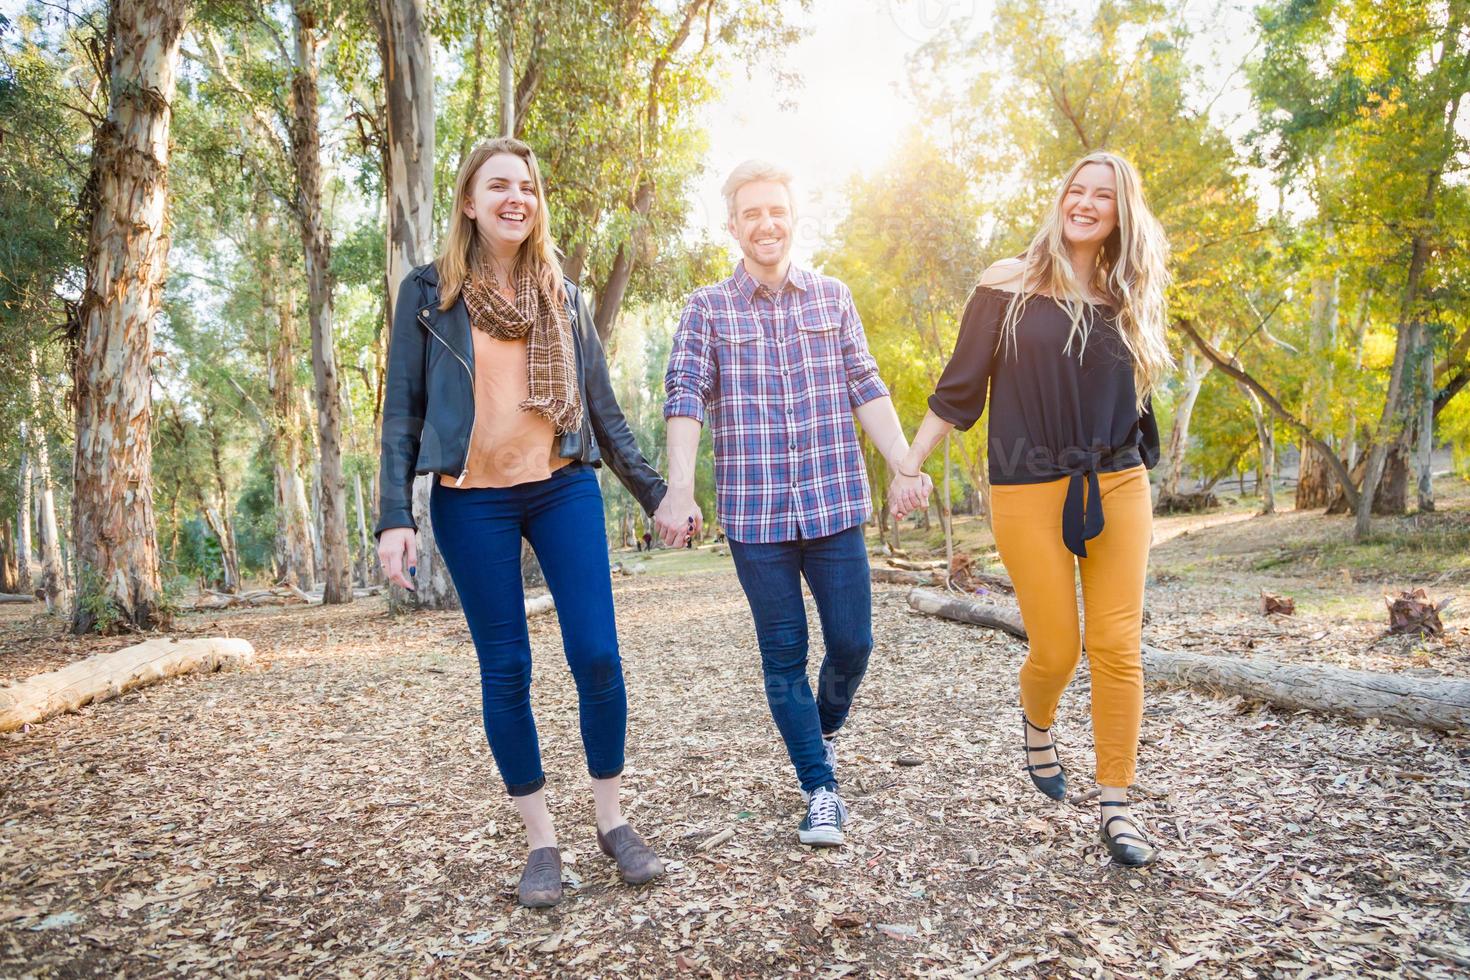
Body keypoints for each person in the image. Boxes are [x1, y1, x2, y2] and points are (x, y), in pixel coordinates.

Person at [376, 138, 667, 907]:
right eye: (498, 185)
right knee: (507, 669)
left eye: (527, 187)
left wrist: (656, 492)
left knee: (598, 656)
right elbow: (401, 410)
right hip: (471, 499)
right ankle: (542, 840)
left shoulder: (561, 295)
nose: (517, 198)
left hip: (561, 486)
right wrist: (391, 517)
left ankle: (611, 821)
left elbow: (603, 412)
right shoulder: (428, 292)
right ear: (469, 203)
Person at [896, 151, 1172, 867]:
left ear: (1121, 212)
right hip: (1025, 487)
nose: (1084, 202)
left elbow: (1136, 400)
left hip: (1116, 482)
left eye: (1102, 195)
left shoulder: (1128, 291)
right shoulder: (1006, 282)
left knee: (1117, 645)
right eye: (1075, 190)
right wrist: (909, 464)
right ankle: (1037, 721)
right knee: (1058, 648)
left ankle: (1116, 805)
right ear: (1060, 198)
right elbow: (959, 390)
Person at [655, 160, 930, 847]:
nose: (765, 223)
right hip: (757, 518)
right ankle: (820, 788)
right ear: (733, 226)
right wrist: (681, 488)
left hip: (835, 503)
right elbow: (684, 395)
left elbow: (865, 383)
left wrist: (903, 462)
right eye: (750, 213)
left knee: (853, 645)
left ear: (793, 215)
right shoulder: (706, 309)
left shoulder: (832, 298)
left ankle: (821, 725)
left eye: (775, 210)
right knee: (783, 657)